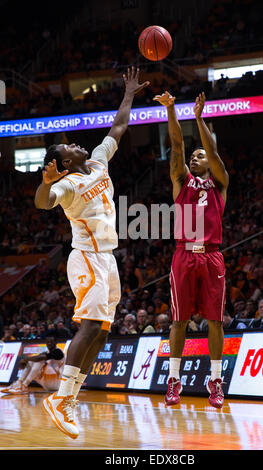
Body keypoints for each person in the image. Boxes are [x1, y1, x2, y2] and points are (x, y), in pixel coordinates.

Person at [34, 66, 149, 439]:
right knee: (89, 325)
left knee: (101, 330)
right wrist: (45, 182)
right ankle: (62, 399)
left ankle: (69, 397)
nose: (78, 144)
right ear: (65, 162)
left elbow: (117, 129)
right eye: (70, 146)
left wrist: (129, 93)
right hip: (85, 257)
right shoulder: (66, 185)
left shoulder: (98, 162)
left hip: (107, 258)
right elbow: (43, 203)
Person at [153, 91, 229, 408]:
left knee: (215, 321)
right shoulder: (180, 179)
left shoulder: (220, 182)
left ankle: (215, 381)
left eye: (200, 157)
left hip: (211, 255)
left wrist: (198, 118)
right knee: (179, 321)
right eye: (193, 156)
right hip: (184, 254)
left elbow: (211, 151)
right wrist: (172, 110)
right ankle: (174, 380)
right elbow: (176, 146)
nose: (195, 158)